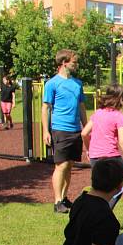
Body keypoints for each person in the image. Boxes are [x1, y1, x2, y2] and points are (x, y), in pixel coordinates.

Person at [81, 84, 123, 209]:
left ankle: (101, 214)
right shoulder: (119, 116)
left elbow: (84, 133)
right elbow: (122, 140)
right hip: (112, 157)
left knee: (106, 189)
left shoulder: (98, 113)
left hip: (95, 158)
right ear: (120, 98)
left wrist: (89, 151)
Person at [43, 49, 87, 214]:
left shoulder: (77, 84)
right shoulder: (52, 84)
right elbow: (46, 108)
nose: (76, 64)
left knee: (69, 165)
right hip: (60, 129)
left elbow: (81, 107)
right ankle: (57, 201)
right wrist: (45, 131)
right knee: (60, 165)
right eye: (74, 62)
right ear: (64, 62)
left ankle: (65, 197)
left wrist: (86, 127)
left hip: (75, 129)